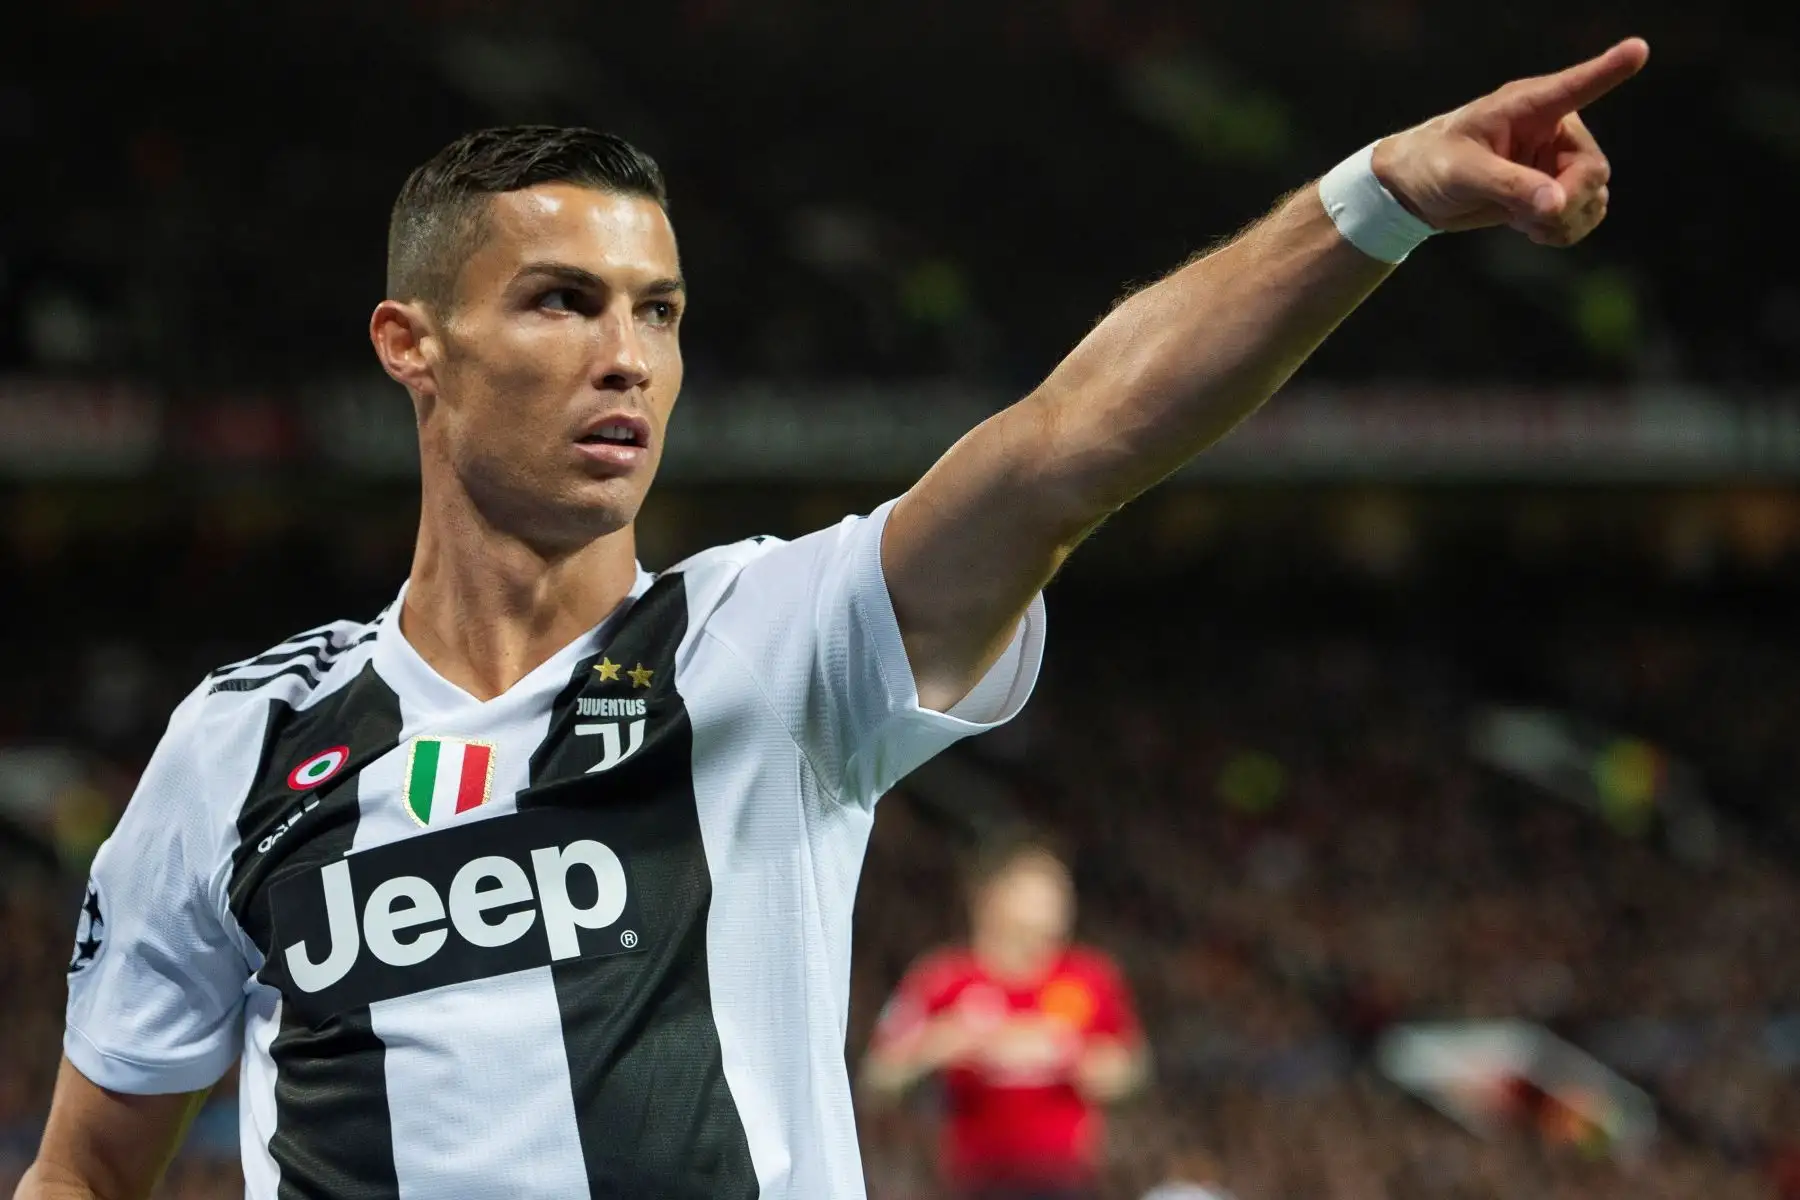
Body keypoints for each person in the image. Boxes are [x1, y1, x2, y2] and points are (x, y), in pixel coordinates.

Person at [16, 34, 1647, 1200]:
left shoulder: (771, 642)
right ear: (411, 344)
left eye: (658, 311)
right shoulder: (242, 742)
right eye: (563, 302)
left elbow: (1073, 441)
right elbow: (88, 1169)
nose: (627, 356)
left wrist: (1378, 199)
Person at [861, 837, 1146, 1198]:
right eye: (1040, 889)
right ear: (992, 895)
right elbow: (878, 1075)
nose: (1056, 904)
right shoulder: (944, 978)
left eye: (1061, 891)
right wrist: (947, 1042)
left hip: (1068, 1181)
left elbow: (1130, 1069)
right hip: (970, 1181)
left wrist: (1069, 1054)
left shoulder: (1090, 978)